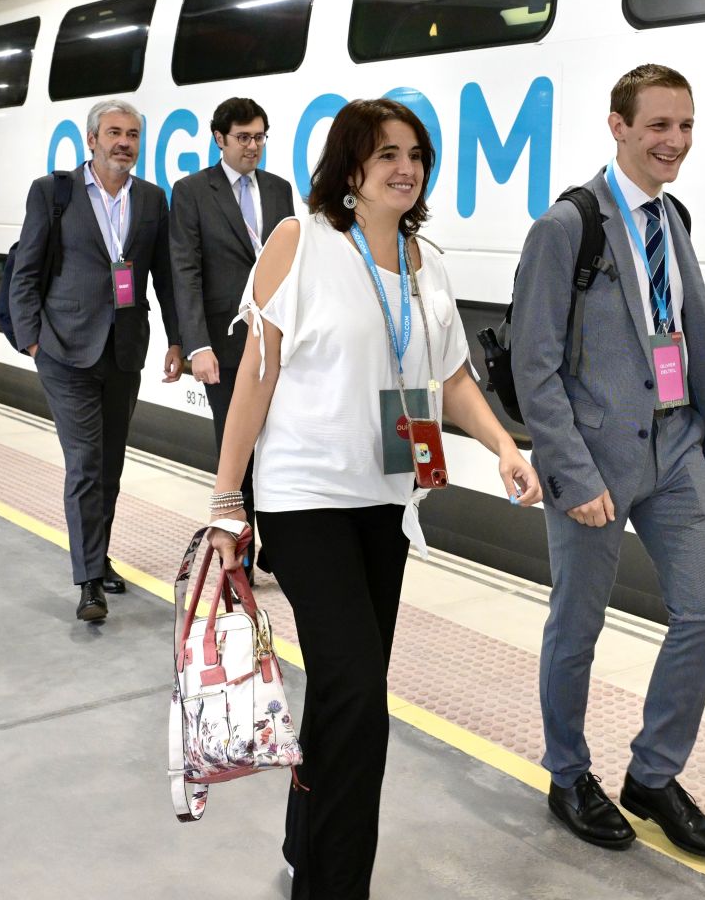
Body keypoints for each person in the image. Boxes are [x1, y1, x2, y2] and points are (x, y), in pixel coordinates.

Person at [205, 97, 539, 900]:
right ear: (349, 167)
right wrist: (226, 501)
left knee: (343, 695)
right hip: (304, 498)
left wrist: (503, 446)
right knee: (359, 697)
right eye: (386, 152)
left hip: (386, 507)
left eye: (416, 153)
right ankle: (336, 883)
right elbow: (258, 372)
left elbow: (449, 376)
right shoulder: (301, 241)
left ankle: (300, 840)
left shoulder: (428, 264)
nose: (406, 167)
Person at [512, 63, 705, 859]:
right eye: (658, 126)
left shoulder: (675, 218)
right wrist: (569, 473)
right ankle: (569, 773)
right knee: (577, 626)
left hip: (676, 448)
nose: (674, 142)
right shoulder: (569, 225)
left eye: (686, 126)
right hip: (595, 458)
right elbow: (533, 365)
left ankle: (652, 774)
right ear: (618, 125)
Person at [9, 98, 184, 622]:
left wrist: (178, 340)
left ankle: (98, 555)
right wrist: (33, 342)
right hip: (64, 348)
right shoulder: (52, 192)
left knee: (109, 464)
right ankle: (89, 582)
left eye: (132, 134)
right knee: (85, 463)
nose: (124, 142)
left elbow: (165, 278)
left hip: (124, 350)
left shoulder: (152, 199)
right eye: (114, 132)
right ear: (92, 140)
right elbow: (26, 269)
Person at [169, 96, 293, 570]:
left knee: (278, 445)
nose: (253, 146)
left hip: (276, 344)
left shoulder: (279, 190)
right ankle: (239, 548)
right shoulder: (193, 191)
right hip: (223, 345)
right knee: (235, 450)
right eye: (243, 137)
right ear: (219, 139)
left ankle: (277, 553)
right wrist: (196, 345)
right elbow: (186, 270)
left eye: (260, 136)